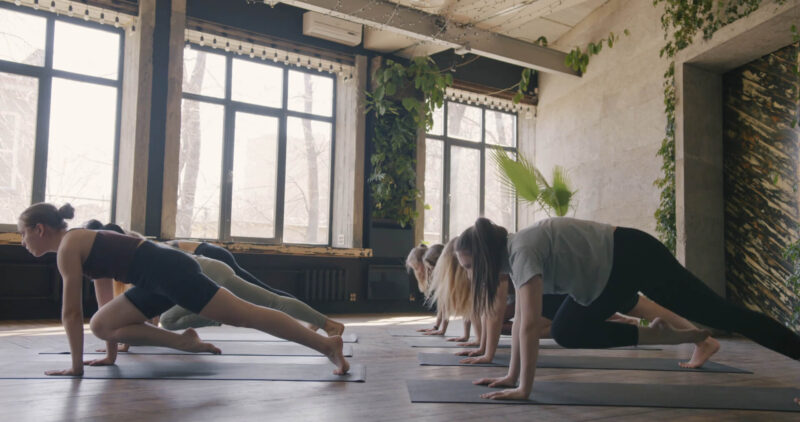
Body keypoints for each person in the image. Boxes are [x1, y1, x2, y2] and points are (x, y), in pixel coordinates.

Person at [457, 217, 800, 400]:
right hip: (606, 281)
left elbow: (529, 325)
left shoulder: (522, 252)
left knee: (723, 314)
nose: (469, 275)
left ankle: (697, 336)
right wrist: (510, 376)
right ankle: (676, 338)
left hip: (633, 256)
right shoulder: (516, 257)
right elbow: (520, 326)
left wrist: (523, 388)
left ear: (486, 257)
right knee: (566, 330)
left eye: (470, 267)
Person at [18, 203, 348, 376]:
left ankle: (325, 344)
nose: (23, 242)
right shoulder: (79, 243)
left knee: (248, 316)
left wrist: (76, 367)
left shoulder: (68, 248)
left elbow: (71, 313)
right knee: (103, 323)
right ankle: (186, 341)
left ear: (40, 229)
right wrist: (109, 354)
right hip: (155, 278)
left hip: (170, 271)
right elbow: (105, 308)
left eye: (23, 234)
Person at [167, 239, 296, 299]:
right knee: (260, 289)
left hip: (211, 254)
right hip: (211, 252)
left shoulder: (158, 252)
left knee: (262, 291)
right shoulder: (156, 250)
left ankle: (302, 311)